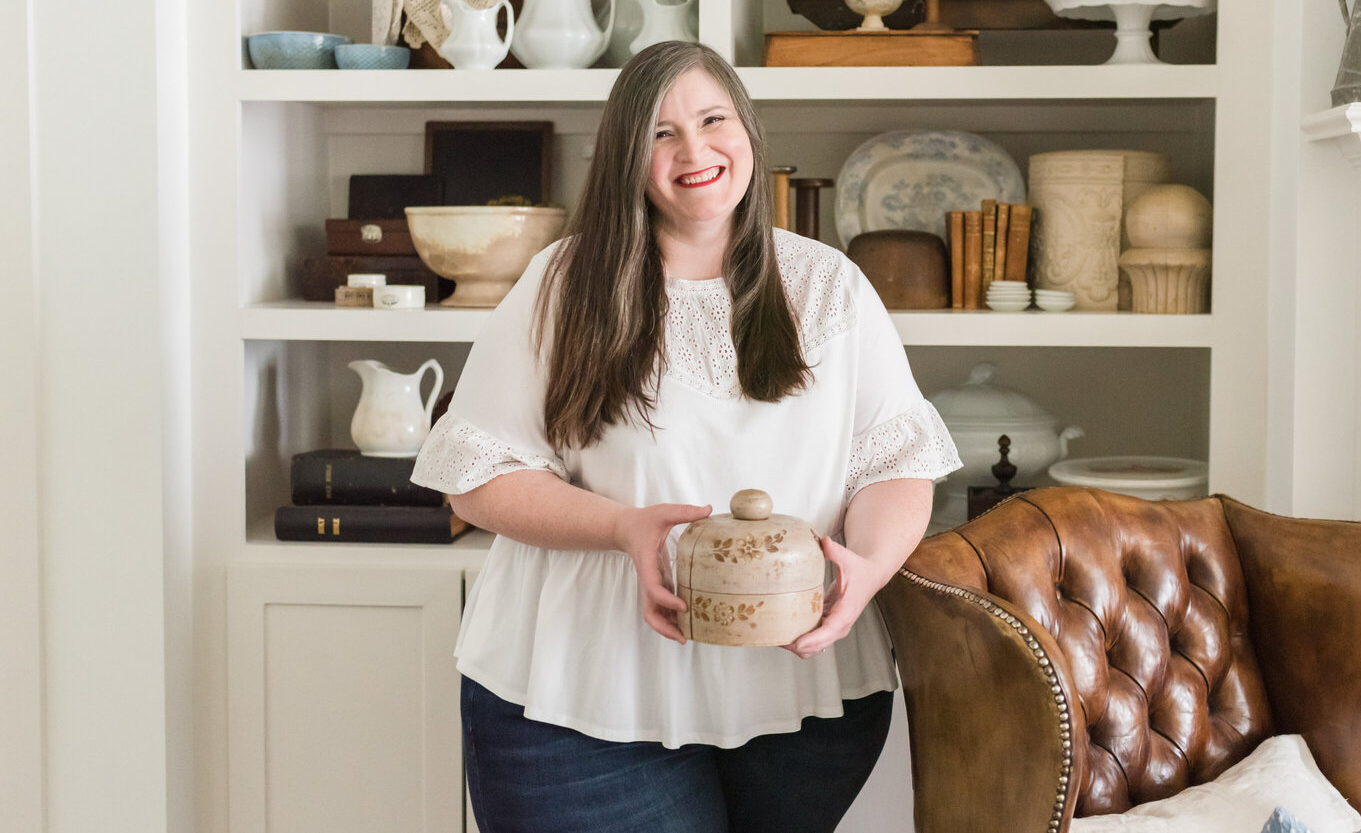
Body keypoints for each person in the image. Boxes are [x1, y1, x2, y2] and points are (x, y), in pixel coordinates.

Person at [409, 40, 960, 833]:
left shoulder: (828, 283)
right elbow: (477, 470)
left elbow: (895, 462)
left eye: (712, 119)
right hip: (581, 696)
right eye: (660, 133)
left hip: (800, 702)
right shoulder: (563, 285)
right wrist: (623, 527)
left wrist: (868, 572)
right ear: (625, 159)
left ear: (749, 132)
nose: (694, 150)